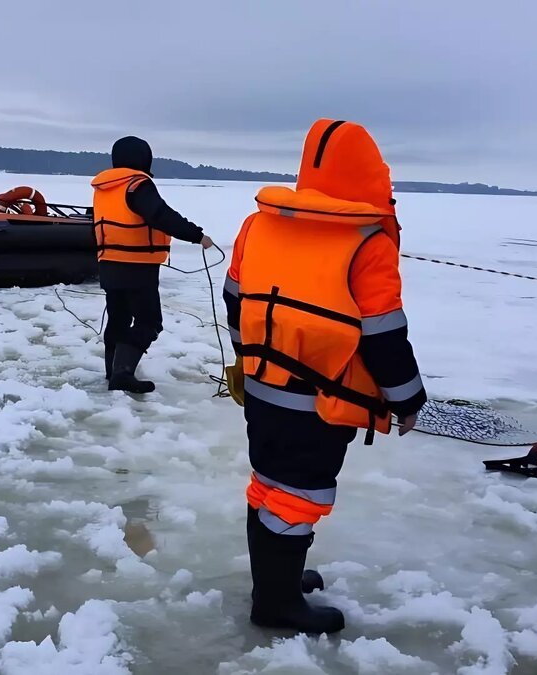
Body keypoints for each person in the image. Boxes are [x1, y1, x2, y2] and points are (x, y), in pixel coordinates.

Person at [222, 119, 428, 635]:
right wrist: (407, 399)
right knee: (299, 495)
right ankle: (275, 603)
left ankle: (276, 581)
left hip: (263, 389)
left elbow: (234, 299)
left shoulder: (259, 224)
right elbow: (384, 337)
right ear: (371, 176)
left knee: (269, 485)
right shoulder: (366, 242)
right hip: (321, 402)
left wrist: (258, 359)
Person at [90, 136, 214, 394]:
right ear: (143, 158)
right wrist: (196, 235)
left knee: (118, 319)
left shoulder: (104, 187)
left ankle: (113, 372)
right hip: (137, 265)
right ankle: (122, 374)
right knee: (149, 322)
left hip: (109, 263)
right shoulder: (137, 185)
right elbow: (160, 215)